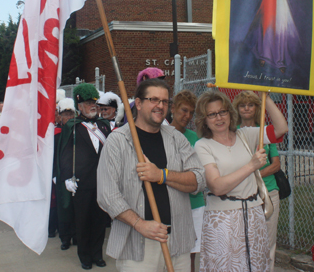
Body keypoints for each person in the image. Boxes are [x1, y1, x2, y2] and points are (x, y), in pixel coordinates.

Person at [97, 78, 206, 272]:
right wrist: (139, 224)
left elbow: (198, 180)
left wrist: (161, 175)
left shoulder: (176, 138)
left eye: (165, 101)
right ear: (138, 103)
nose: (160, 106)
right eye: (154, 100)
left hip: (178, 241)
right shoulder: (118, 141)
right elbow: (107, 196)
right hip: (138, 245)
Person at [194, 90, 288, 272]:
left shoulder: (245, 135)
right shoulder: (203, 145)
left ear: (230, 113)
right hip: (223, 219)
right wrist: (251, 166)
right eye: (212, 114)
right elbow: (217, 185)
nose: (219, 118)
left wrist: (265, 97)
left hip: (253, 214)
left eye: (223, 112)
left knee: (257, 265)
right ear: (204, 120)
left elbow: (281, 129)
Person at [57, 84, 112, 270]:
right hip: (81, 182)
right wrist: (66, 177)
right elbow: (65, 155)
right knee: (82, 221)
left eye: (94, 102)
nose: (93, 106)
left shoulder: (104, 126)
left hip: (102, 182)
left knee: (100, 221)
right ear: (79, 105)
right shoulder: (73, 126)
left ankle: (97, 254)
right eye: (88, 103)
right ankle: (85, 256)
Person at [233, 91, 284, 272]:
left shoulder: (265, 132)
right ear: (237, 109)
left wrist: (253, 173)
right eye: (242, 105)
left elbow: (275, 164)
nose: (246, 108)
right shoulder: (234, 134)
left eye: (251, 105)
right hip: (244, 194)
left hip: (268, 192)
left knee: (268, 242)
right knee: (244, 240)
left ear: (256, 108)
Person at [170, 90, 205, 272]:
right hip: (171, 203)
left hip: (194, 203)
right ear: (173, 108)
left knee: (190, 257)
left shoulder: (195, 138)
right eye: (184, 110)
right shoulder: (161, 134)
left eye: (191, 112)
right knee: (168, 255)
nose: (187, 116)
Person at [52, 98, 76, 246]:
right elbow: (52, 157)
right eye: (65, 114)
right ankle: (65, 238)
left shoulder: (78, 130)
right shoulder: (55, 133)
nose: (68, 117)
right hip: (60, 175)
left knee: (76, 208)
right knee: (63, 206)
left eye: (71, 114)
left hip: (76, 175)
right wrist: (54, 174)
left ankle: (76, 236)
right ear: (59, 116)